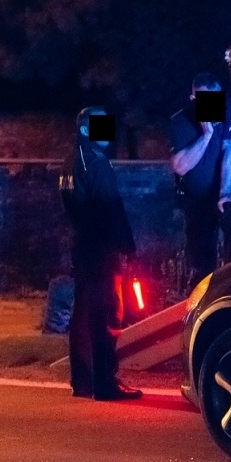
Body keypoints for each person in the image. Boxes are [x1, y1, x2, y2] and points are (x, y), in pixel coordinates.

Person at [59, 106, 141, 401]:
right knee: (105, 315)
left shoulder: (69, 162)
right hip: (100, 250)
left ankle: (82, 381)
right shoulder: (97, 163)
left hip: (81, 247)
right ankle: (106, 383)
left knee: (81, 314)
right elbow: (111, 207)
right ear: (85, 130)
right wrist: (128, 246)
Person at [168, 74, 231, 287]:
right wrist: (206, 135)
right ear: (193, 99)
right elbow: (180, 166)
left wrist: (225, 194)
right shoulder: (180, 120)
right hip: (197, 200)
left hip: (230, 194)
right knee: (199, 261)